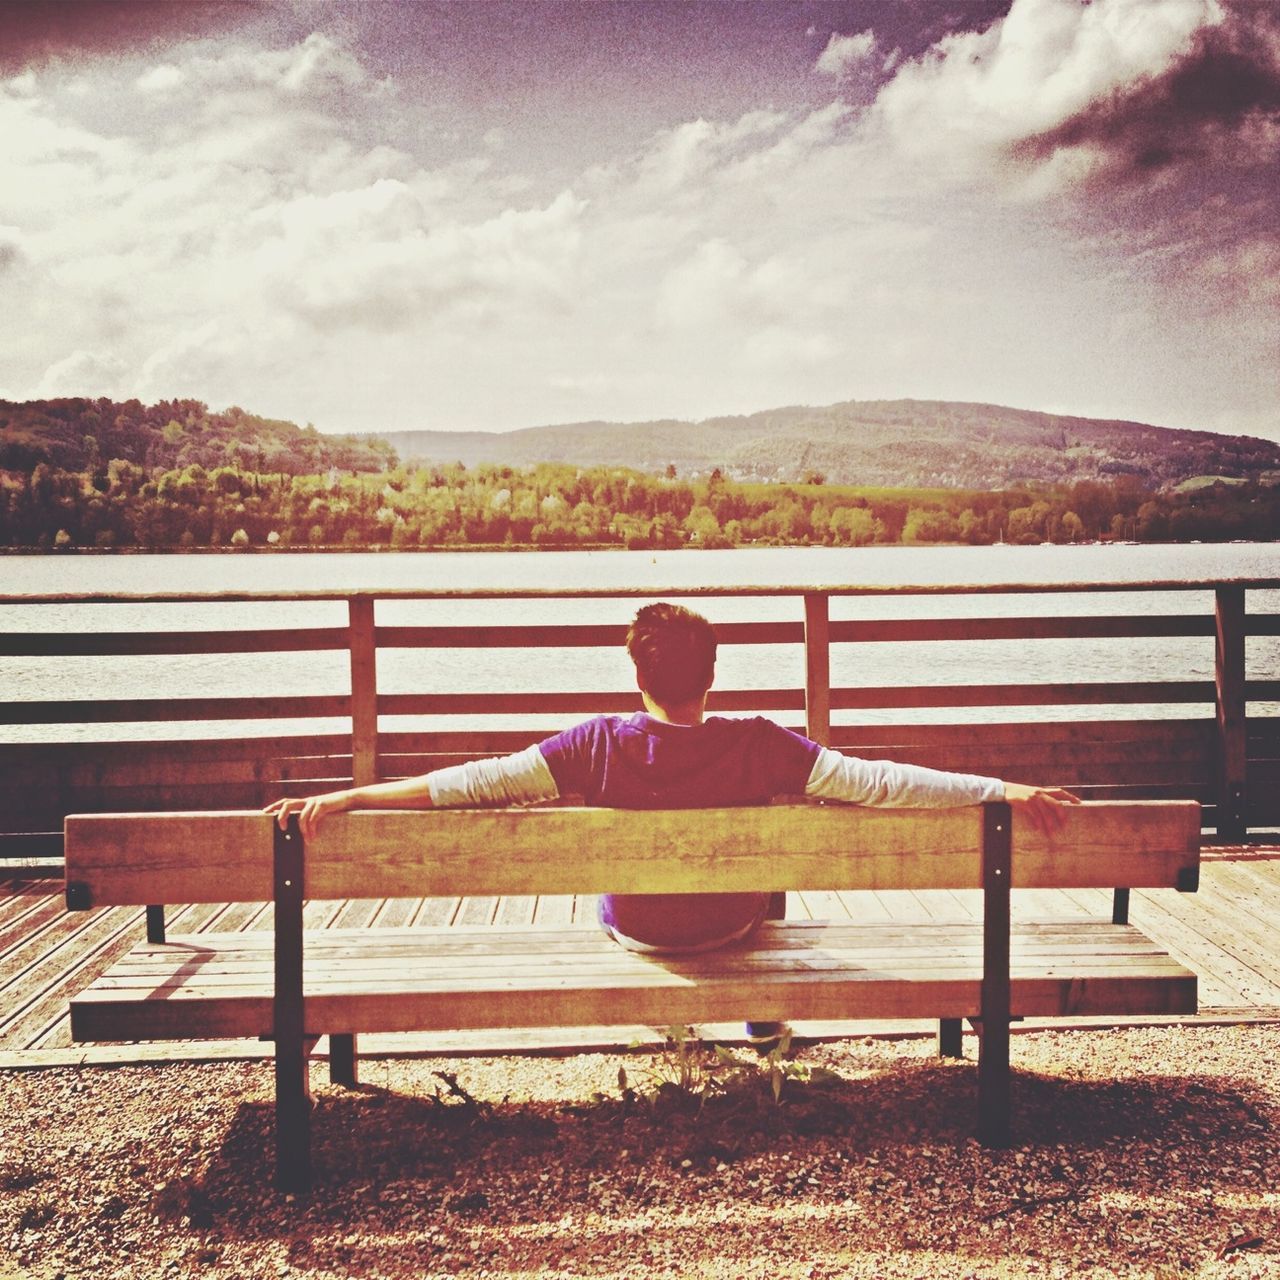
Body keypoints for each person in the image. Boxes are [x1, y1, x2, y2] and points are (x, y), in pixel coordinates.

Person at [266, 602, 1078, 1042]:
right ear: (712, 674)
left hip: (640, 932)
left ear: (638, 673)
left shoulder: (593, 744)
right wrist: (1000, 788)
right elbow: (880, 783)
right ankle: (765, 1015)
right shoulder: (763, 743)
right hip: (731, 926)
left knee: (625, 880)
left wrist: (350, 797)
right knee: (776, 856)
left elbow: (471, 786)